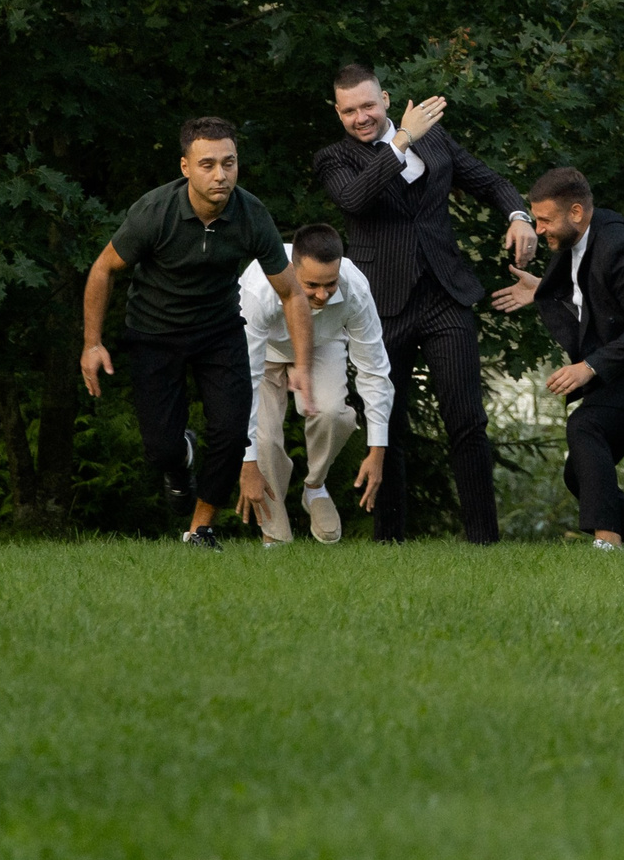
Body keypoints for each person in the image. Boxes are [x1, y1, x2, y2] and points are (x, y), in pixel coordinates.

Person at [314, 63, 535, 543]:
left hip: (445, 297)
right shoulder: (334, 159)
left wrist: (519, 215)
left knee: (467, 420)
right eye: (349, 111)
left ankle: (484, 540)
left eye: (368, 105)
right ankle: (389, 540)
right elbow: (354, 199)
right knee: (385, 424)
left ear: (386, 99)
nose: (360, 117)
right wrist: (401, 142)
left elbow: (489, 181)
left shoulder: (435, 138)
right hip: (381, 305)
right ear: (338, 113)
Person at [81, 117, 317, 550]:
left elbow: (293, 295)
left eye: (229, 163)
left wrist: (302, 363)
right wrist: (92, 343)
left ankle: (201, 528)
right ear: (186, 167)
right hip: (154, 333)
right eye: (207, 164)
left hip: (218, 331)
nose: (220, 174)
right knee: (161, 450)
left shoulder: (252, 215)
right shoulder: (156, 212)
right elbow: (103, 269)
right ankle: (180, 455)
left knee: (231, 432)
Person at [491, 167, 624, 547]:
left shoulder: (619, 246)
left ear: (577, 212)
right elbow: (594, 299)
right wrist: (544, 291)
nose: (540, 228)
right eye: (536, 219)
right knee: (579, 473)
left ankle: (608, 541)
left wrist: (590, 367)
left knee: (586, 425)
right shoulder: (576, 241)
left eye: (545, 219)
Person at [239, 222, 395, 546]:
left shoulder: (355, 288)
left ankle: (315, 487)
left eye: (330, 284)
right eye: (312, 285)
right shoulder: (258, 289)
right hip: (263, 356)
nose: (322, 295)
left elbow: (374, 370)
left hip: (322, 344)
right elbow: (245, 381)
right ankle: (274, 531)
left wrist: (377, 450)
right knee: (264, 440)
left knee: (332, 414)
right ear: (293, 270)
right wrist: (247, 463)